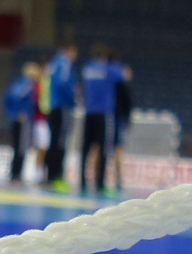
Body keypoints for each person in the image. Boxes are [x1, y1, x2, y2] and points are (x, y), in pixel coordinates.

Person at [79, 44, 125, 194]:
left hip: (89, 112)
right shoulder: (109, 70)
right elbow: (123, 75)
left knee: (86, 148)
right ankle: (100, 183)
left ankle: (82, 181)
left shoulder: (87, 69)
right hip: (104, 113)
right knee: (104, 148)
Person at [43, 43, 77, 190]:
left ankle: (49, 175)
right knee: (60, 141)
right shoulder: (64, 64)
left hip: (52, 106)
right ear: (69, 51)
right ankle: (57, 176)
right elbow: (64, 84)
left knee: (53, 141)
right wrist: (74, 99)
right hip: (62, 106)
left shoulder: (52, 64)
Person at [4, 62, 40, 183]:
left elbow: (8, 98)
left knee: (19, 147)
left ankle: (16, 173)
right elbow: (13, 98)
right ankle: (16, 173)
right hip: (23, 121)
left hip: (19, 119)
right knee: (21, 147)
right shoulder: (26, 85)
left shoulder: (19, 83)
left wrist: (13, 114)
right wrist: (18, 113)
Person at [112, 54, 133, 192]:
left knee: (103, 147)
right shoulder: (120, 84)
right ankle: (118, 179)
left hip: (117, 118)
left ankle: (118, 178)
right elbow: (127, 103)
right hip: (117, 118)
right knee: (117, 148)